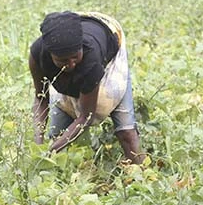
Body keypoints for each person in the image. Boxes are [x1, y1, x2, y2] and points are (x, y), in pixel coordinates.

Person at [29, 11, 144, 164]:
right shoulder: (38, 54)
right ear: (51, 55)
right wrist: (38, 144)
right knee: (57, 135)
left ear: (80, 48)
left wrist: (50, 151)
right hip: (77, 42)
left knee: (126, 133)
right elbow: (41, 99)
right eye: (62, 60)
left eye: (75, 57)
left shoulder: (91, 58)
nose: (70, 64)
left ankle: (141, 172)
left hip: (110, 36)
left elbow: (85, 117)